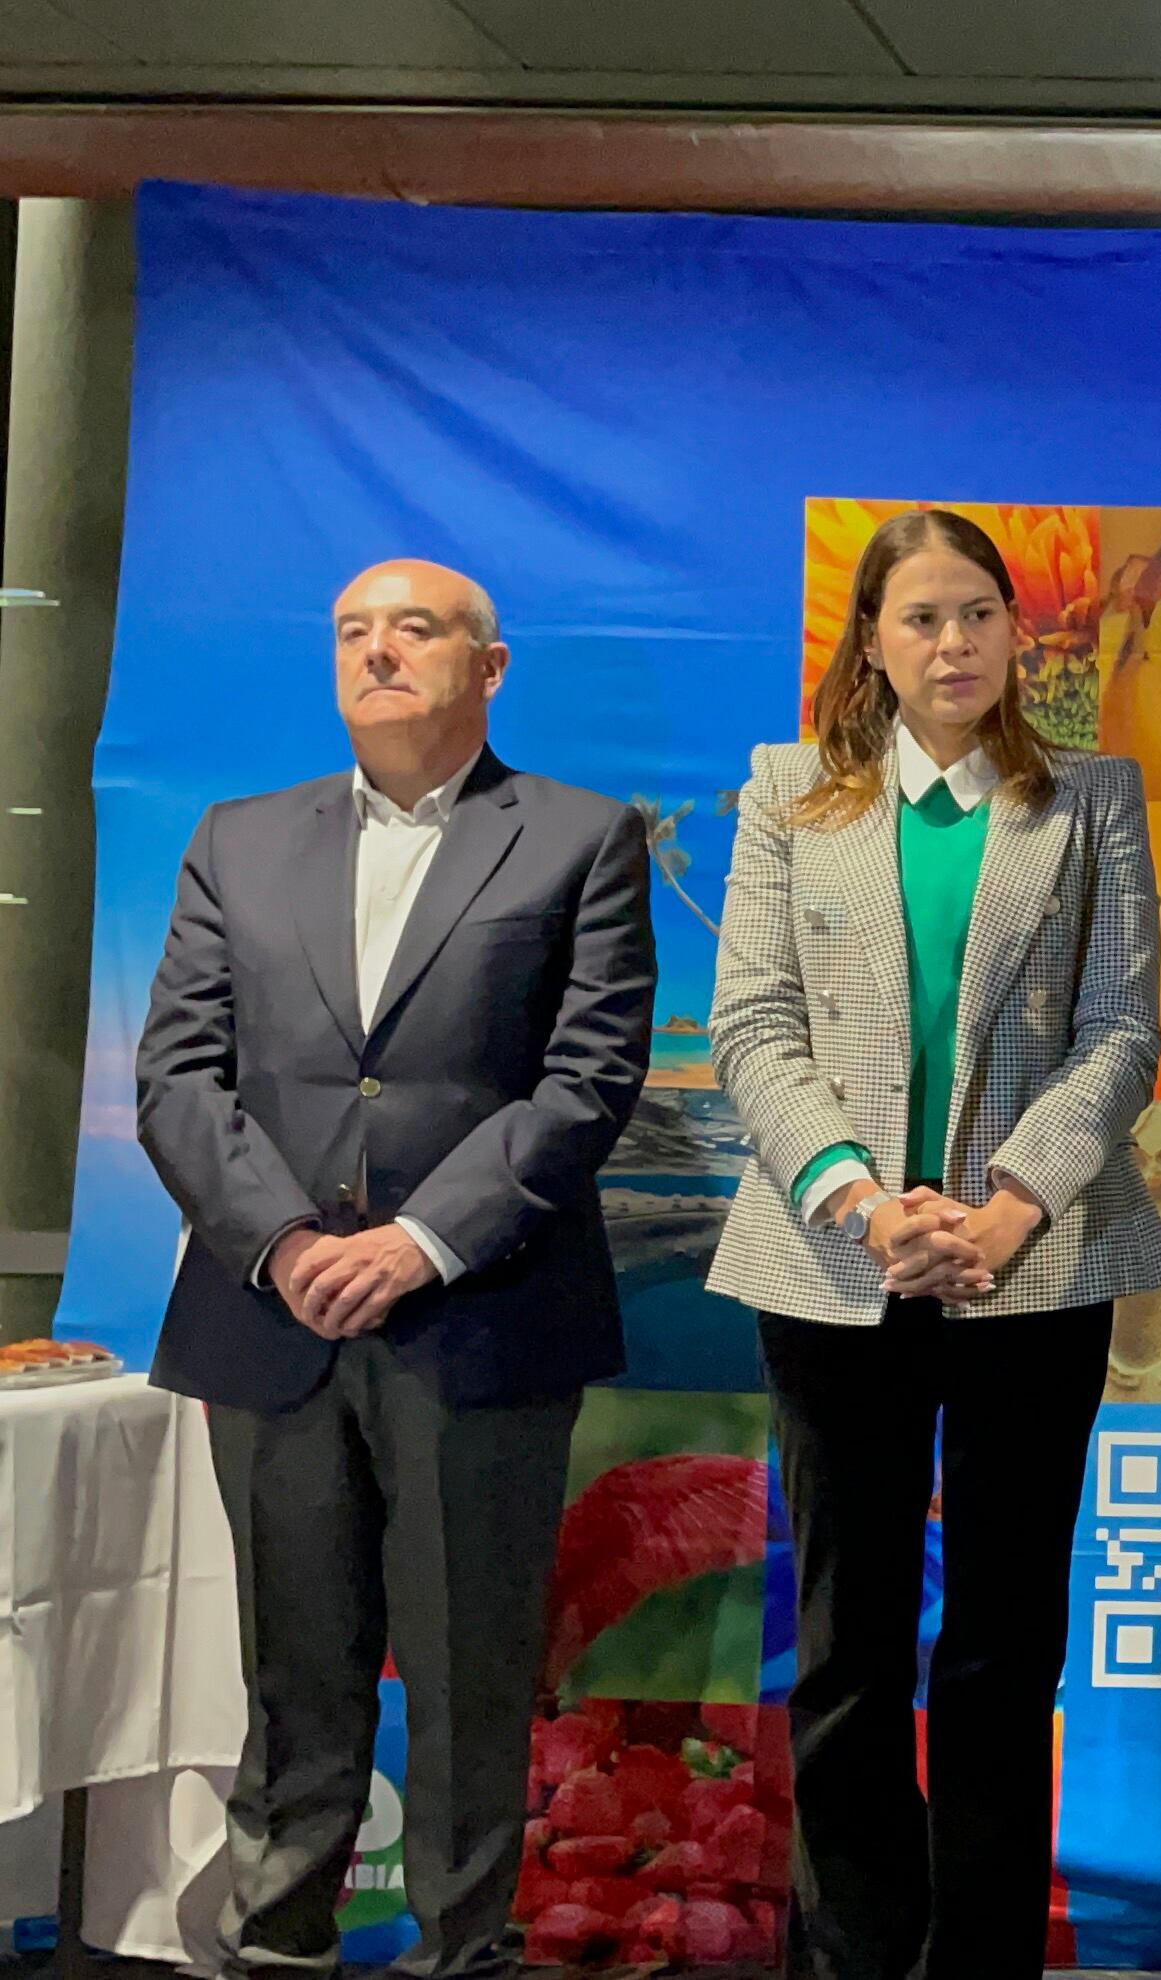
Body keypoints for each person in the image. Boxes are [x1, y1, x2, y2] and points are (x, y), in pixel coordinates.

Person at [137, 559, 656, 1977]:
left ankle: (459, 1955)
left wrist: (420, 1243)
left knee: (468, 1682)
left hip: (480, 1322)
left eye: (413, 630)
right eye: (352, 633)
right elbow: (179, 1078)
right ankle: (278, 1948)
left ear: (489, 669)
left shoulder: (578, 838)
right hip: (272, 1324)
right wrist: (289, 1241)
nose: (377, 654)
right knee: (294, 1684)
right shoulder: (237, 841)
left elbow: (587, 1078)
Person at [706, 507, 1161, 1980]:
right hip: (836, 1265)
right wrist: (861, 1196)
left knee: (1001, 1640)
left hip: (1029, 1267)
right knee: (848, 1639)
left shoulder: (1090, 795)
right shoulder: (791, 791)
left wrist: (1011, 1205)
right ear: (870, 640)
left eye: (980, 613)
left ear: (1016, 634)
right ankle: (852, 1949)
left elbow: (1118, 1033)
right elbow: (751, 1026)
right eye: (921, 617)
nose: (955, 642)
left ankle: (983, 1955)